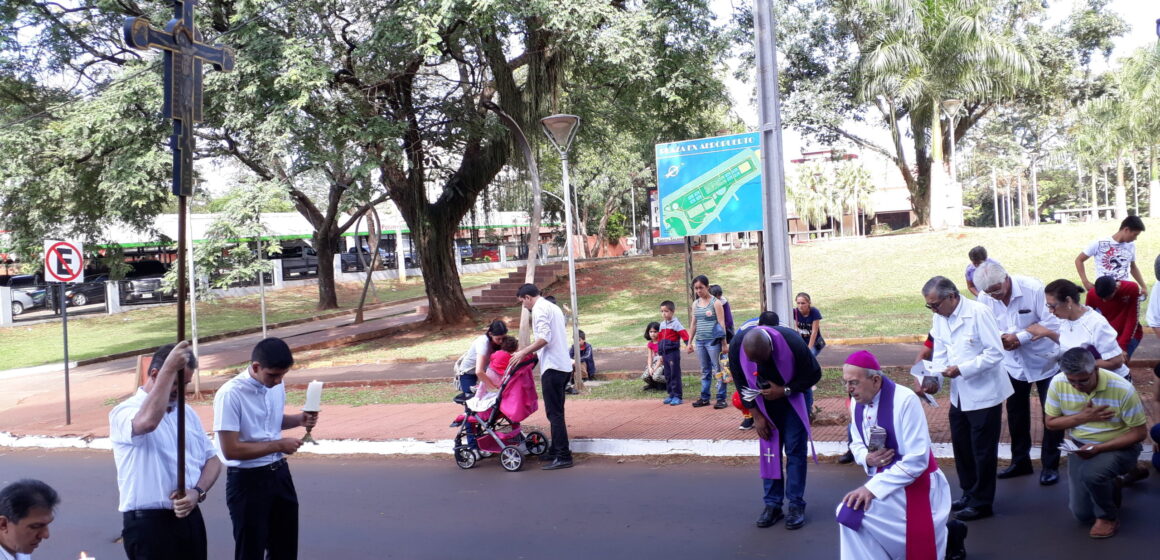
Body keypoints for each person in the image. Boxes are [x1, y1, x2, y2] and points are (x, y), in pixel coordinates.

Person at [836, 350, 956, 560]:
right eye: (845, 383)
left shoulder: (905, 400)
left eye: (853, 382)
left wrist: (870, 489)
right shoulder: (857, 400)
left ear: (875, 380)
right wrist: (866, 457)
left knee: (853, 515)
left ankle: (951, 535)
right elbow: (856, 442)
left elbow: (918, 460)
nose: (849, 389)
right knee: (848, 514)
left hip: (917, 482)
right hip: (885, 480)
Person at [111, 341, 222, 559]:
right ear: (155, 374)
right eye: (175, 383)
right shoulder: (124, 411)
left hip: (189, 517)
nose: (181, 391)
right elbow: (147, 423)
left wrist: (197, 492)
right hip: (149, 526)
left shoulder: (187, 413)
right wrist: (169, 369)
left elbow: (212, 460)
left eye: (186, 383)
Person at [213, 337, 318, 560]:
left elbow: (270, 423)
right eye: (273, 375)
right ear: (255, 367)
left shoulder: (274, 385)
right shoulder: (230, 394)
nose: (278, 381)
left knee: (285, 549)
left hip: (279, 474)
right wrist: (279, 445)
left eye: (282, 375)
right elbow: (231, 450)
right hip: (247, 480)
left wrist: (299, 419)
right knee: (251, 550)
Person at [923, 276, 1011, 522]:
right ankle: (968, 492)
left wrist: (962, 368)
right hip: (959, 394)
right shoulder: (939, 317)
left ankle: (982, 502)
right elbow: (939, 351)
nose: (933, 310)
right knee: (962, 446)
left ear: (951, 296)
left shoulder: (979, 312)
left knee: (982, 449)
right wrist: (934, 380)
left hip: (985, 393)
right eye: (929, 306)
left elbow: (995, 353)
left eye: (936, 305)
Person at [972, 261, 1064, 486]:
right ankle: (1020, 461)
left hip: (1044, 360)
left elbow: (1052, 320)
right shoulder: (985, 298)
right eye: (988, 291)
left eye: (996, 289)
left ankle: (1050, 465)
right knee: (1015, 414)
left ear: (1005, 278)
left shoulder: (1033, 289)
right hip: (1012, 363)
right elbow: (985, 324)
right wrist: (1003, 338)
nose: (993, 295)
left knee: (1051, 413)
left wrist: (1019, 337)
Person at [1044, 348, 1148, 539]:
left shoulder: (1122, 388)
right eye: (1071, 380)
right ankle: (1113, 481)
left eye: (1083, 380)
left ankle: (1108, 516)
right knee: (1082, 515)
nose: (1076, 386)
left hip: (1119, 445)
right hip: (1080, 446)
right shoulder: (1058, 383)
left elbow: (1140, 433)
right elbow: (1050, 423)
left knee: (1091, 474)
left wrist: (1099, 448)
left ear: (1096, 370)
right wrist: (1083, 417)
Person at [729, 320, 822, 531]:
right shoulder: (737, 346)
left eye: (761, 360)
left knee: (794, 449)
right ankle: (772, 505)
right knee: (770, 450)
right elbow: (741, 384)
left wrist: (785, 390)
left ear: (771, 348)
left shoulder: (792, 342)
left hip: (794, 399)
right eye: (752, 361)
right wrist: (755, 415)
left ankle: (796, 505)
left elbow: (814, 374)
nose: (758, 365)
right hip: (762, 403)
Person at [510, 283, 574, 470]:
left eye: (523, 302)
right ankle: (556, 450)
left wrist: (523, 352)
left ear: (528, 298)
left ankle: (563, 455)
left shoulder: (538, 309)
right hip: (562, 366)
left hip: (553, 367)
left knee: (554, 413)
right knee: (557, 411)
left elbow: (544, 338)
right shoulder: (553, 307)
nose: (524, 306)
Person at [1028, 280, 1130, 378]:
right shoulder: (1064, 319)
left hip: (1109, 383)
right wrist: (1048, 333)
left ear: (1068, 301)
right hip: (1084, 380)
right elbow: (1071, 341)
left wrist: (1079, 364)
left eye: (1052, 306)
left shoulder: (1096, 324)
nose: (1050, 311)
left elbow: (1116, 362)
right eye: (1048, 306)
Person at [1075, 215, 1148, 307]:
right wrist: (1085, 281)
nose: (1135, 238)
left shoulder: (1131, 245)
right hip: (1105, 290)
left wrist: (1143, 286)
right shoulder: (1099, 243)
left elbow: (1133, 267)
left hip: (1124, 289)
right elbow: (1079, 260)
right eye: (1135, 234)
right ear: (1126, 230)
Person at [732, 311, 780, 430]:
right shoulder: (739, 341)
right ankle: (749, 415)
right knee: (739, 398)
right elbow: (739, 379)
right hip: (748, 365)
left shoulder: (783, 335)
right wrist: (756, 415)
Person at [688, 275, 730, 409]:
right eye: (696, 288)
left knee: (718, 369)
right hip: (700, 341)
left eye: (701, 287)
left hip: (713, 341)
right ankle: (705, 397)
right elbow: (693, 324)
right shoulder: (695, 304)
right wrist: (689, 342)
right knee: (705, 370)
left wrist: (724, 343)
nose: (699, 291)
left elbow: (721, 323)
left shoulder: (716, 303)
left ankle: (721, 398)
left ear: (707, 287)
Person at [0, 480, 58, 559]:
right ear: (3, 524)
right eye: (36, 526)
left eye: (47, 524)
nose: (46, 535)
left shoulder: (19, 549)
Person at [453, 320, 508, 402]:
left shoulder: (501, 341)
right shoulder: (483, 343)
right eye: (498, 339)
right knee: (472, 400)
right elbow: (479, 371)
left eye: (503, 338)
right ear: (490, 334)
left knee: (490, 399)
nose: (501, 342)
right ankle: (469, 413)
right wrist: (493, 387)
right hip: (468, 372)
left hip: (486, 369)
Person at [1092, 275, 1144, 358]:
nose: (1104, 301)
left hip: (1127, 334)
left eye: (1107, 297)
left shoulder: (1131, 288)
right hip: (1106, 335)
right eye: (1101, 298)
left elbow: (1132, 319)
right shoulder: (1092, 294)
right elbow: (1089, 320)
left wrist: (1122, 346)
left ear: (1116, 289)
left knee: (1120, 365)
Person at [792, 292, 824, 416]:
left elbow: (814, 332)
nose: (800, 306)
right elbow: (795, 330)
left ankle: (811, 380)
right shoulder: (795, 312)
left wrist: (808, 349)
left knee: (809, 358)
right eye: (798, 303)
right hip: (801, 342)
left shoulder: (814, 312)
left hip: (814, 343)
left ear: (809, 303)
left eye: (803, 303)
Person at [657, 300, 690, 405]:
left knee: (674, 374)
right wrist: (660, 354)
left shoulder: (676, 324)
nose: (664, 314)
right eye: (662, 311)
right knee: (667, 375)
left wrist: (688, 345)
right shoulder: (662, 325)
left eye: (666, 311)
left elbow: (685, 335)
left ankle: (677, 396)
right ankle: (671, 394)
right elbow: (660, 340)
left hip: (673, 353)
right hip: (665, 354)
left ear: (672, 311)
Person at [641, 322, 667, 391]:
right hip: (654, 363)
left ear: (659, 332)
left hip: (662, 363)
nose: (653, 333)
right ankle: (654, 386)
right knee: (644, 377)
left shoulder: (662, 342)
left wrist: (655, 368)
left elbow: (661, 358)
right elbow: (650, 357)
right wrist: (649, 367)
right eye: (651, 331)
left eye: (655, 331)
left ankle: (672, 382)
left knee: (656, 376)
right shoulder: (650, 344)